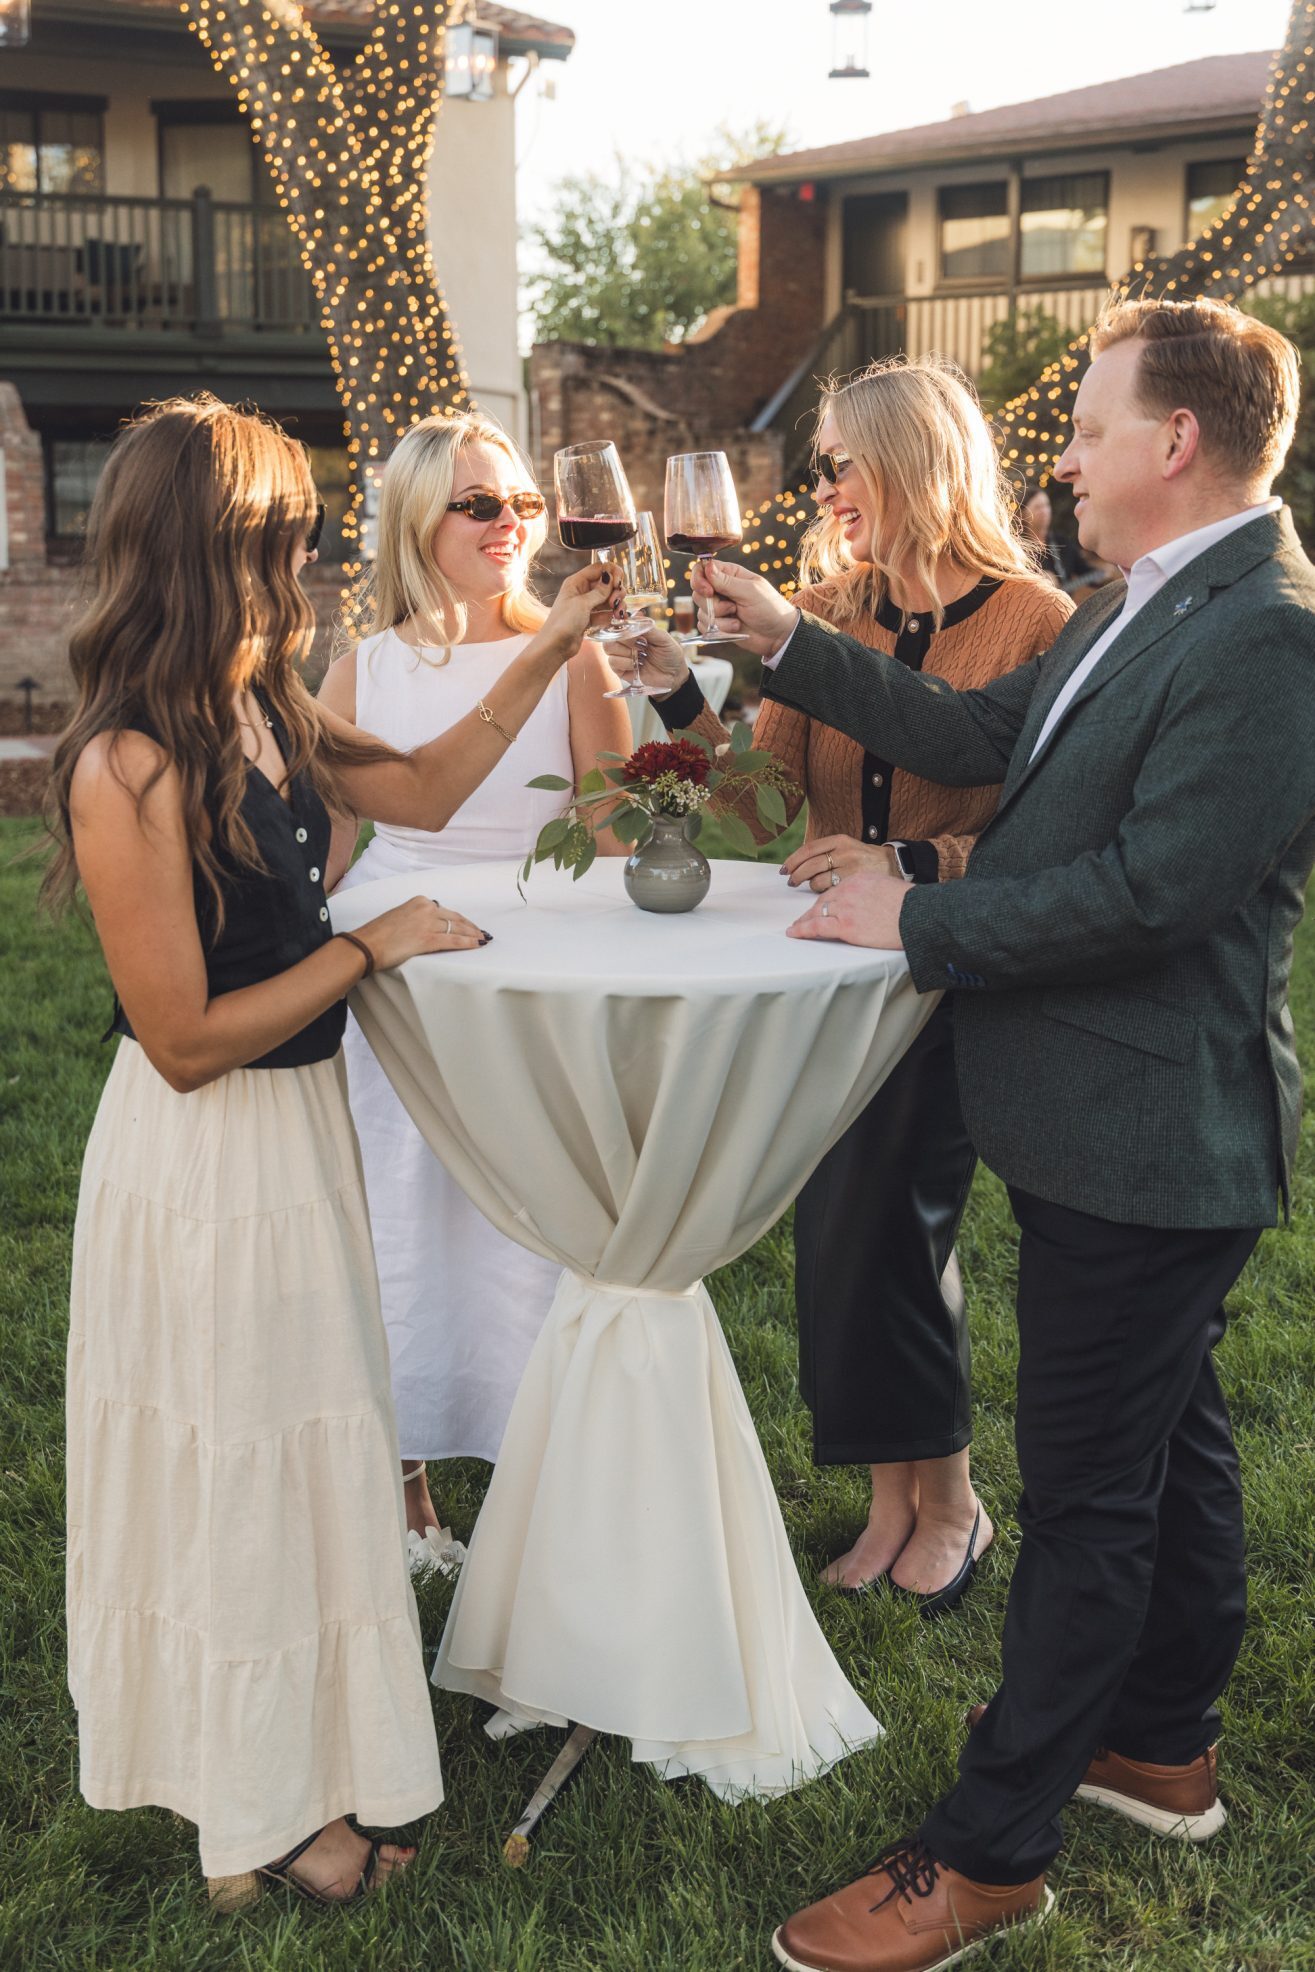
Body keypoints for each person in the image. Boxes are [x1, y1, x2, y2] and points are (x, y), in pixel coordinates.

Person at [691, 298, 1315, 1972]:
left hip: (1153, 1135)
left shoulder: (1267, 633)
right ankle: (1159, 1743)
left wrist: (912, 914)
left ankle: (986, 1854)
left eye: (1093, 425)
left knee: (1090, 1500)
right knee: (1174, 1441)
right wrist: (789, 644)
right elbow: (989, 746)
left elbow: (1152, 895)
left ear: (1173, 443)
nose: (1069, 455)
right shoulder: (1131, 604)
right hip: (1097, 1127)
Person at [47, 395, 613, 1908]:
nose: (299, 567)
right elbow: (182, 1034)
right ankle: (265, 1821)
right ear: (200, 548)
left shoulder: (265, 706)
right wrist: (368, 946)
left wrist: (551, 649)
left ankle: (281, 1789)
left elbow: (423, 789)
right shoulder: (127, 765)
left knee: (308, 1459)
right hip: (205, 1156)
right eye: (276, 539)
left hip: (292, 1135)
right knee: (243, 1463)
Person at [612, 358, 1071, 1607]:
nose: (819, 485)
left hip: (940, 976)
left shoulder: (1036, 622)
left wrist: (911, 857)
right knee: (841, 1233)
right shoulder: (826, 608)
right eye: (816, 465)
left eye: (835, 461)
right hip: (822, 976)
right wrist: (672, 689)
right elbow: (764, 809)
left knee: (900, 1226)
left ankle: (957, 1503)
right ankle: (886, 1502)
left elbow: (1048, 842)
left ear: (910, 460)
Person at [320, 413, 631, 1569]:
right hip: (394, 991)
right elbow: (340, 845)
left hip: (525, 977)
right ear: (415, 520)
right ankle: (400, 1491)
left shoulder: (574, 653)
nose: (513, 525)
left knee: (523, 1244)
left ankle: (536, 1491)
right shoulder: (364, 667)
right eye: (481, 504)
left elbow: (607, 830)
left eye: (525, 505)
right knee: (392, 1230)